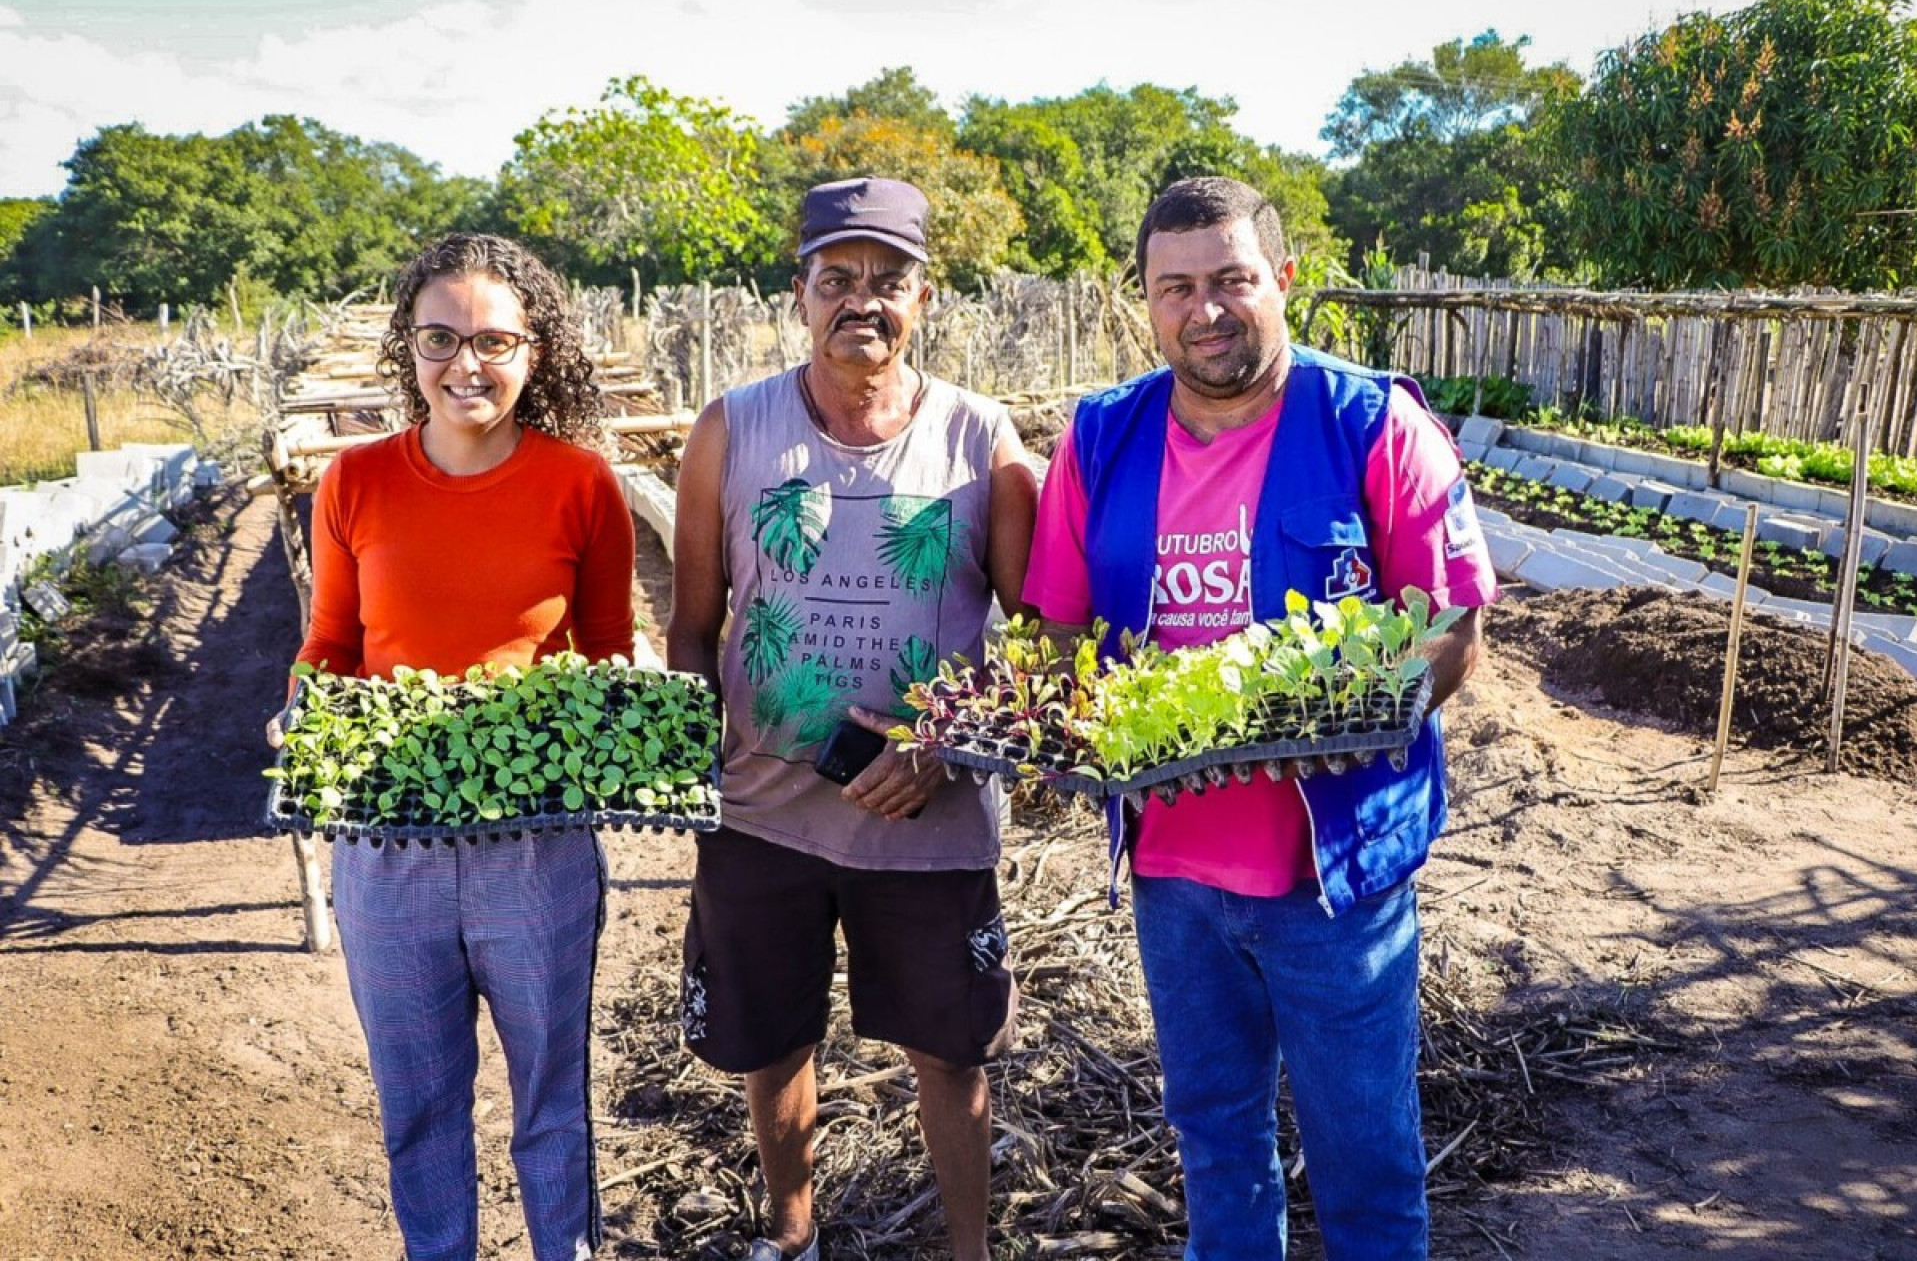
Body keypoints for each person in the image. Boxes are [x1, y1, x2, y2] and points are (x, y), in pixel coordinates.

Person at [1023, 177, 1497, 1259]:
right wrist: (1067, 724)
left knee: (1365, 1161)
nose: (1207, 309)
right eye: (1176, 286)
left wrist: (1334, 710)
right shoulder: (1101, 437)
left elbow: (1454, 629)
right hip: (1176, 877)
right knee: (1216, 1146)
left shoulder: (1375, 423)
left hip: (1331, 882)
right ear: (1142, 299)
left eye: (1233, 279)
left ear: (1283, 281)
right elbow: (1053, 628)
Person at [667, 176, 1037, 1261]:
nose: (861, 302)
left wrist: (944, 746)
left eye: (888, 281)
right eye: (838, 279)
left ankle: (967, 1247)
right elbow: (693, 624)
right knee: (773, 1042)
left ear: (927, 298)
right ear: (799, 294)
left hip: (929, 825)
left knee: (951, 1050)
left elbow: (1045, 644)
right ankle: (793, 1231)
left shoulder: (983, 439)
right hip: (764, 815)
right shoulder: (732, 430)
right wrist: (696, 775)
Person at [272, 232, 637, 1260]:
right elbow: (331, 644)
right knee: (421, 1105)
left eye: (493, 339)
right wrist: (303, 707)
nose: (464, 363)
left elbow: (607, 653)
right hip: (388, 846)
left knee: (550, 1100)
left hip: (538, 840)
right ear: (409, 346)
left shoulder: (583, 484)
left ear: (536, 351)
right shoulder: (355, 483)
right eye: (439, 337)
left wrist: (608, 728)